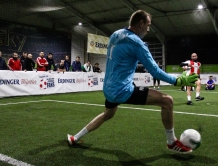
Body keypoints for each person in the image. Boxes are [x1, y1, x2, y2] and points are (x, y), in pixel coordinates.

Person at [67, 10, 198, 154]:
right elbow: (154, 70)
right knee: (167, 101)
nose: (148, 29)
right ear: (141, 23)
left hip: (108, 88)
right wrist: (177, 80)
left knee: (107, 115)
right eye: (147, 25)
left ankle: (75, 137)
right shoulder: (137, 43)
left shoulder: (115, 34)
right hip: (122, 90)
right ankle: (172, 142)